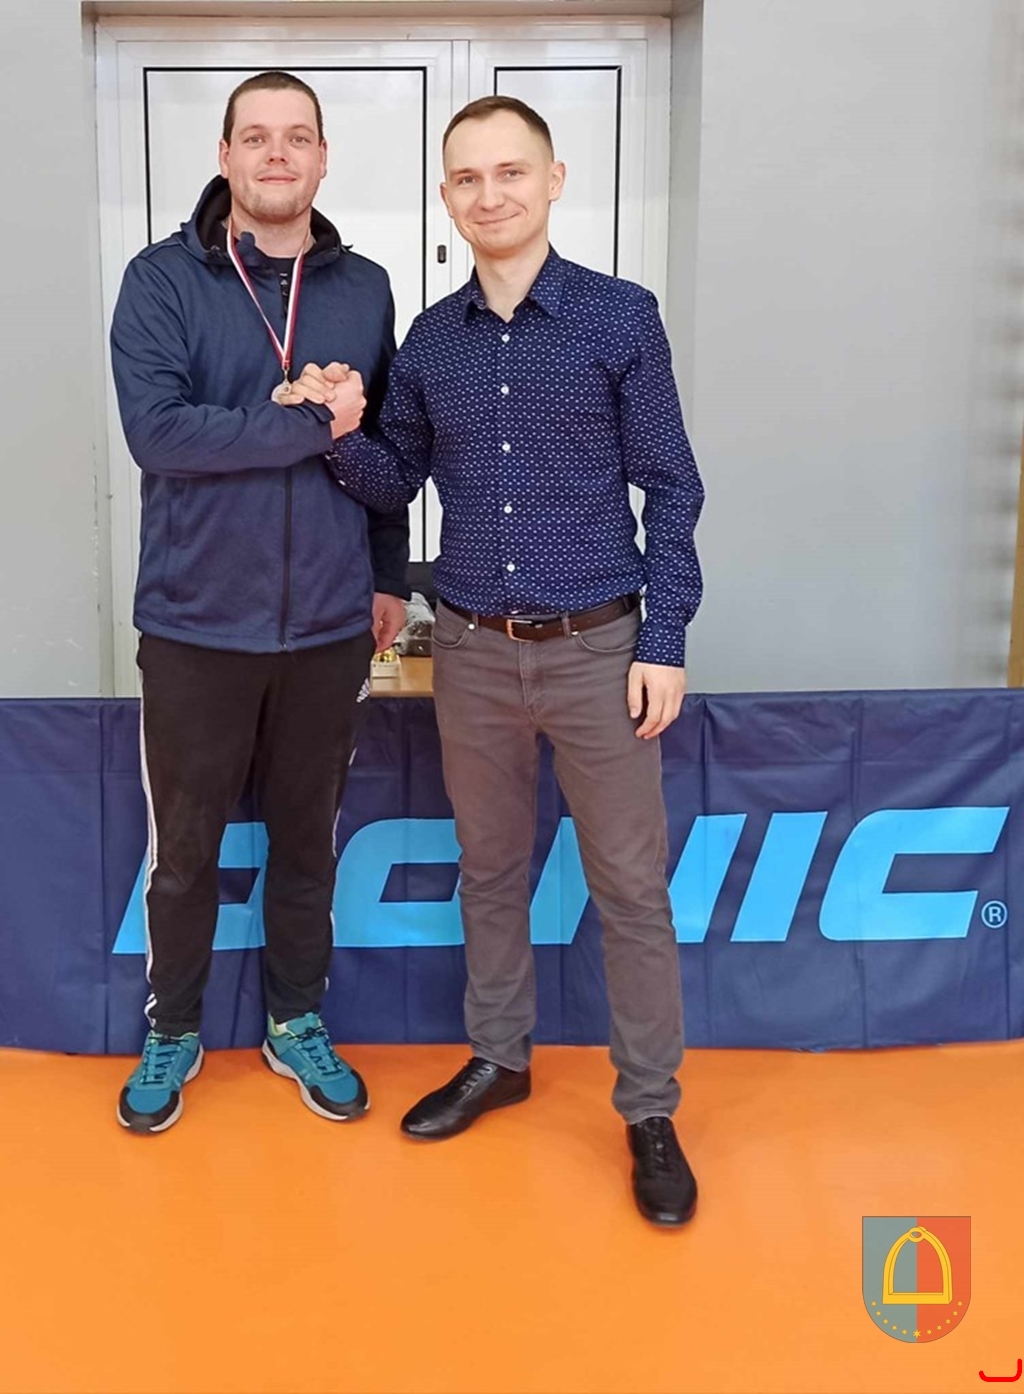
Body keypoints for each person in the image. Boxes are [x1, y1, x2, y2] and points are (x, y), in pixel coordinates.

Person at [284, 96, 705, 1226]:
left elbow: (672, 488)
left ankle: (649, 1109)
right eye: (467, 177)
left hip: (599, 649)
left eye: (510, 172)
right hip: (470, 650)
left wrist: (664, 639)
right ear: (446, 196)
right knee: (491, 869)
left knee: (630, 889)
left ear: (553, 180)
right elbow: (396, 478)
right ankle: (500, 1056)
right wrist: (341, 429)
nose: (490, 194)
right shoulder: (430, 341)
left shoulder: (620, 317)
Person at [109, 70, 407, 1135]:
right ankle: (175, 1027)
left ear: (323, 158)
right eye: (256, 137)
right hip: (194, 623)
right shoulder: (160, 280)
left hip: (327, 625)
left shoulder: (366, 288)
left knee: (307, 843)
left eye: (297, 137)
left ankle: (295, 1020)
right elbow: (160, 435)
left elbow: (384, 449)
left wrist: (386, 573)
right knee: (186, 850)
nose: (277, 154)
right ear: (226, 155)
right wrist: (304, 422)